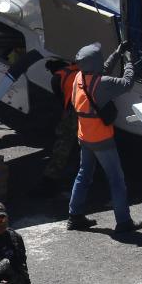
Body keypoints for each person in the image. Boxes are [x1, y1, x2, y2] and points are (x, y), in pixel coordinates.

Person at [68, 43, 142, 235]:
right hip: (102, 140)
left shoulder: (79, 78)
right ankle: (124, 222)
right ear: (95, 62)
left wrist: (117, 53)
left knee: (83, 174)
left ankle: (74, 216)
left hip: (84, 137)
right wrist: (129, 62)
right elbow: (127, 83)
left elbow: (102, 72)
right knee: (116, 179)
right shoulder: (103, 84)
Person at [36, 57, 80, 193]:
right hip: (87, 108)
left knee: (63, 142)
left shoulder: (57, 78)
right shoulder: (77, 68)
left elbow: (61, 101)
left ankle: (50, 179)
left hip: (73, 110)